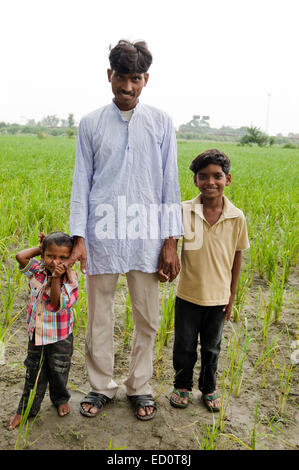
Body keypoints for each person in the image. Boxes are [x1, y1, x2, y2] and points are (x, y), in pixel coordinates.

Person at [68, 39, 182, 421]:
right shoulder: (91, 123)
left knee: (147, 317)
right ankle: (100, 386)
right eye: (121, 78)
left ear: (145, 79)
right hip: (101, 236)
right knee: (100, 315)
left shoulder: (162, 122)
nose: (127, 87)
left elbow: (170, 185)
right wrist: (80, 238)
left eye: (135, 78)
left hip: (148, 236)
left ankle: (140, 385)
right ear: (109, 76)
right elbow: (81, 183)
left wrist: (170, 242)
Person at [170, 149, 250, 411]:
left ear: (228, 179)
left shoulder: (236, 217)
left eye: (217, 176)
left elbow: (237, 256)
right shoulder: (185, 210)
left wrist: (232, 294)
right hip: (188, 294)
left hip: (218, 297)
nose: (210, 182)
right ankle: (182, 384)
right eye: (203, 176)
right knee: (184, 345)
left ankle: (209, 388)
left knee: (212, 348)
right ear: (195, 181)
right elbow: (170, 244)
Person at [8, 232, 78, 430]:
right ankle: (26, 409)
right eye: (51, 256)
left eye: (63, 257)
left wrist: (56, 277)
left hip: (60, 336)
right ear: (44, 256)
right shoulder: (38, 269)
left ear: (70, 259)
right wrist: (42, 247)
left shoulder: (70, 280)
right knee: (33, 372)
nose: (56, 261)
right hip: (37, 335)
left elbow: (56, 303)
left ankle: (60, 398)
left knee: (59, 369)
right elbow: (20, 257)